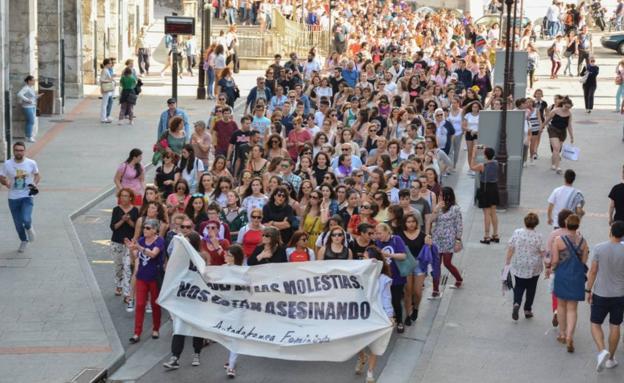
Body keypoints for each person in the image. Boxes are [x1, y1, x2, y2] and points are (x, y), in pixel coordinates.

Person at [163, 231, 206, 370]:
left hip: (196, 298)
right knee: (179, 328)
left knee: (196, 328)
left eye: (187, 241)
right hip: (182, 298)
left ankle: (197, 354)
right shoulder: (179, 258)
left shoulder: (201, 257)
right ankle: (175, 357)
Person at [586, 221, 624, 371]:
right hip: (620, 295)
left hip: (601, 294)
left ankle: (602, 350)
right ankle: (611, 359)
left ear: (611, 232)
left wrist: (589, 290)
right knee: (615, 325)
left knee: (595, 323)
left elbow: (593, 271)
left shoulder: (599, 248)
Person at [354, 246, 394, 383]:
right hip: (361, 315)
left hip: (377, 316)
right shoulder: (358, 276)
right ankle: (362, 356)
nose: (363, 261)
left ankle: (370, 373)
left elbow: (386, 298)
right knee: (355, 342)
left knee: (375, 346)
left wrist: (389, 315)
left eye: (365, 258)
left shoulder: (383, 279)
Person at [551, 214, 589, 353]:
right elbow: (584, 261)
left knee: (561, 305)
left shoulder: (558, 240)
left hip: (562, 275)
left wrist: (552, 268)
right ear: (578, 225)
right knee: (572, 309)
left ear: (566, 225)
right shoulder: (583, 242)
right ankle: (569, 336)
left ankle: (561, 333)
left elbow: (555, 260)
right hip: (577, 277)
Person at [126, 218, 165, 343]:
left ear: (155, 230)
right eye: (144, 227)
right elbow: (137, 255)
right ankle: (137, 332)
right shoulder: (142, 240)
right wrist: (132, 249)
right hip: (142, 276)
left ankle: (156, 328)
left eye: (148, 228)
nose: (145, 230)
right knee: (140, 304)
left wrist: (139, 247)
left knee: (155, 304)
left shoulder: (159, 241)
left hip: (154, 277)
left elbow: (153, 254)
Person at [0, 142, 40, 253]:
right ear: (13, 151)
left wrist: (35, 184)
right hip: (13, 198)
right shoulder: (7, 164)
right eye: (17, 150)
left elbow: (37, 175)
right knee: (18, 224)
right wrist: (5, 182)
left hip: (27, 196)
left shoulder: (31, 163)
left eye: (21, 150)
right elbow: (1, 177)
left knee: (26, 219)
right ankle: (23, 240)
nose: (19, 152)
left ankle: (29, 227)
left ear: (24, 151)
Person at [505, 212, 545, 321]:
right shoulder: (538, 236)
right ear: (536, 224)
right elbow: (542, 252)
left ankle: (516, 303)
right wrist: (548, 263)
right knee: (531, 288)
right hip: (534, 267)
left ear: (525, 221)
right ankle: (527, 309)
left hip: (519, 265)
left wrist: (507, 261)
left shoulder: (517, 233)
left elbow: (511, 247)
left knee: (519, 286)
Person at [430, 187, 464, 299]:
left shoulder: (455, 209)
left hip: (449, 239)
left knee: (447, 263)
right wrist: (435, 210)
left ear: (448, 196)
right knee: (436, 265)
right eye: (439, 195)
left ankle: (459, 279)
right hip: (436, 239)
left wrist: (458, 240)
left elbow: (459, 225)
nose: (440, 197)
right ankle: (435, 290)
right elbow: (431, 220)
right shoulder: (438, 207)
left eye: (441, 195)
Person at [374, 222, 407, 333]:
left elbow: (403, 255)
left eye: (380, 233)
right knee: (384, 299)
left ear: (387, 231)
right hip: (383, 277)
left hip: (396, 276)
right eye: (376, 233)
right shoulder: (377, 242)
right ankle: (387, 321)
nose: (378, 236)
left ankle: (399, 321)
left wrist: (389, 255)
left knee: (395, 300)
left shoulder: (396, 239)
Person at [109, 188, 139, 304]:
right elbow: (113, 227)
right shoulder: (116, 210)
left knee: (127, 267)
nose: (123, 198)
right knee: (118, 266)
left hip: (130, 243)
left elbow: (136, 227)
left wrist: (129, 221)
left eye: (126, 196)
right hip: (117, 242)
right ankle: (118, 285)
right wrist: (122, 220)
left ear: (131, 197)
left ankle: (127, 293)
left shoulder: (135, 210)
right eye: (121, 196)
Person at [470, 146, 499, 244]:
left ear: (485, 155)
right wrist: (486, 148)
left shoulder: (482, 166)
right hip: (494, 189)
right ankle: (495, 234)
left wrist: (474, 154)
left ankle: (486, 236)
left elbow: (471, 167)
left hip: (486, 189)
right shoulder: (496, 163)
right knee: (493, 212)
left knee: (486, 213)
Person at [543, 97, 574, 174]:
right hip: (553, 129)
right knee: (556, 148)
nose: (567, 108)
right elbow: (547, 119)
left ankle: (553, 163)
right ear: (562, 104)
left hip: (562, 132)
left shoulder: (569, 114)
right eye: (566, 106)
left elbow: (569, 125)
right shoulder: (555, 111)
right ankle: (558, 167)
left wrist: (571, 136)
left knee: (557, 150)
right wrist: (542, 127)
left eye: (569, 107)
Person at [16, 75, 42, 142]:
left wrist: (37, 96)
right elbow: (19, 94)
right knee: (31, 121)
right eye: (33, 80)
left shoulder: (31, 88)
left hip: (32, 106)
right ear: (29, 81)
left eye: (34, 80)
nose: (34, 82)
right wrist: (27, 100)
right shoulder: (26, 88)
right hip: (27, 107)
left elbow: (32, 97)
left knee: (29, 121)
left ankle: (28, 136)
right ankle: (29, 137)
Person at [100, 58, 115, 123]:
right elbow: (101, 80)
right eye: (110, 63)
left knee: (107, 103)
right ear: (107, 64)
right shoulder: (105, 70)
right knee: (104, 104)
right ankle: (103, 118)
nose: (111, 64)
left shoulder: (107, 70)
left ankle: (105, 117)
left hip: (108, 89)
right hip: (106, 88)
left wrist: (111, 78)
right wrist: (110, 80)